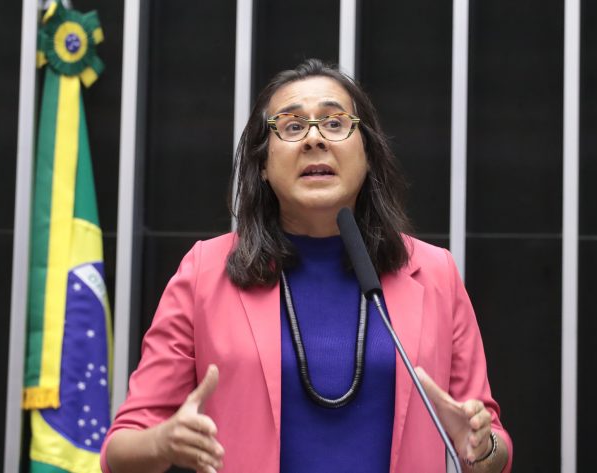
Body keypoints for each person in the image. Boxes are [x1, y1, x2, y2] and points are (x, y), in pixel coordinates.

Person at [102, 59, 513, 473]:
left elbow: (492, 447)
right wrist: (163, 441)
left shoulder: (434, 272)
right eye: (292, 126)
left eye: (335, 123)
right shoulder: (204, 272)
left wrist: (479, 444)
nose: (314, 139)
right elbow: (120, 451)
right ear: (262, 164)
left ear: (368, 154)